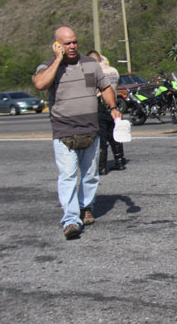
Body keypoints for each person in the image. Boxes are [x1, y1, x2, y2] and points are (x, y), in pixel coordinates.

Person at [33, 27, 122, 240]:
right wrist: (57, 60)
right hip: (64, 130)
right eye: (66, 43)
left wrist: (113, 107)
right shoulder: (47, 67)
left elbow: (105, 87)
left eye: (74, 42)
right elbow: (40, 84)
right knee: (68, 176)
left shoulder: (91, 64)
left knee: (90, 175)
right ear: (56, 45)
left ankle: (85, 208)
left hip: (90, 128)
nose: (71, 46)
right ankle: (71, 220)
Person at [87, 50, 126, 175]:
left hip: (100, 106)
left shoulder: (93, 71)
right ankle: (120, 162)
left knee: (102, 139)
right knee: (114, 136)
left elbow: (90, 90)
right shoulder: (114, 70)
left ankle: (102, 167)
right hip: (113, 105)